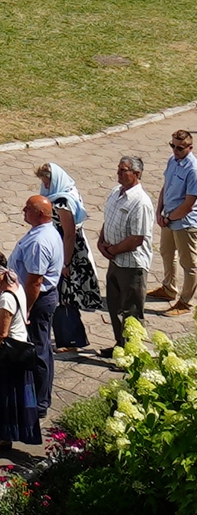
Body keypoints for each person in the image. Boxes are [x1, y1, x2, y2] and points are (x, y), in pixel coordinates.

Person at [0, 250, 41, 452]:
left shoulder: (6, 299)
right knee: (7, 397)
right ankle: (1, 434)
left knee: (1, 396)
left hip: (7, 354)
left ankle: (1, 436)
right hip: (15, 349)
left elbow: (1, 333)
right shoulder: (15, 283)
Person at [35, 160, 103, 351]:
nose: (45, 186)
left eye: (47, 182)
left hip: (68, 253)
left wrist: (65, 263)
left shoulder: (63, 202)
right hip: (60, 250)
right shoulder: (58, 194)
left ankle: (71, 341)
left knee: (64, 297)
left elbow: (70, 233)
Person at [8, 196, 63, 415]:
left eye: (28, 208)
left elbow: (35, 281)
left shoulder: (40, 242)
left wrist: (25, 308)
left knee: (37, 351)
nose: (23, 210)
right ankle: (36, 398)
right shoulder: (45, 232)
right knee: (41, 349)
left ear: (40, 214)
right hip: (40, 297)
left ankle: (39, 403)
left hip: (37, 300)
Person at [98, 152, 156, 349]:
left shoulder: (140, 202)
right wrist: (101, 241)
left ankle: (133, 354)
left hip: (132, 266)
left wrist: (113, 249)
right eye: (118, 170)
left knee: (131, 312)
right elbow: (109, 219)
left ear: (137, 173)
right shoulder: (116, 192)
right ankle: (120, 346)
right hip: (115, 261)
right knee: (114, 307)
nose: (118, 174)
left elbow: (136, 239)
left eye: (123, 171)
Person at [151, 127, 197, 313]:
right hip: (168, 218)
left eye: (180, 148)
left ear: (190, 148)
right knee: (167, 253)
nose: (175, 151)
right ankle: (169, 288)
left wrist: (169, 218)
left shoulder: (193, 170)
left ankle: (186, 302)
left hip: (185, 223)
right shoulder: (172, 161)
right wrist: (159, 211)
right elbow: (165, 186)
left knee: (190, 264)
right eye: (173, 146)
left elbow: (188, 204)